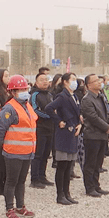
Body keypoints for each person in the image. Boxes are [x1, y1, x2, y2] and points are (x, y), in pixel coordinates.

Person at [0, 75, 37, 218]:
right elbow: (0, 130)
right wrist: (5, 145)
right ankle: (9, 208)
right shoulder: (9, 108)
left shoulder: (26, 105)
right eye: (21, 89)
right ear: (13, 92)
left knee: (21, 180)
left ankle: (20, 206)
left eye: (25, 88)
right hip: (13, 151)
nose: (25, 91)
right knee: (12, 181)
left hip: (27, 151)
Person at [44, 73, 82, 204]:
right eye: (72, 80)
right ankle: (60, 195)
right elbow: (49, 108)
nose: (74, 82)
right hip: (64, 133)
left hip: (73, 133)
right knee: (62, 166)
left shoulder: (74, 96)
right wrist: (58, 121)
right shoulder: (62, 96)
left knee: (69, 166)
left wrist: (80, 125)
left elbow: (78, 114)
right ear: (65, 82)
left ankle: (67, 193)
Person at [80, 74, 109, 196]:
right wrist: (106, 127)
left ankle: (96, 184)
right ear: (88, 85)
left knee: (98, 162)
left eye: (99, 80)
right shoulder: (87, 99)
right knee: (90, 162)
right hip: (92, 135)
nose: (99, 82)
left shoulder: (101, 96)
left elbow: (107, 112)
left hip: (102, 134)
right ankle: (89, 187)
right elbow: (92, 117)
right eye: (95, 81)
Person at [29, 73, 54, 189]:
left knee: (46, 154)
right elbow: (34, 110)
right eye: (42, 80)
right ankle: (34, 179)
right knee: (38, 154)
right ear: (36, 82)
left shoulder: (49, 94)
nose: (45, 82)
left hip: (50, 128)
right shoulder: (34, 95)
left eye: (46, 80)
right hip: (39, 128)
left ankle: (42, 176)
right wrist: (48, 116)